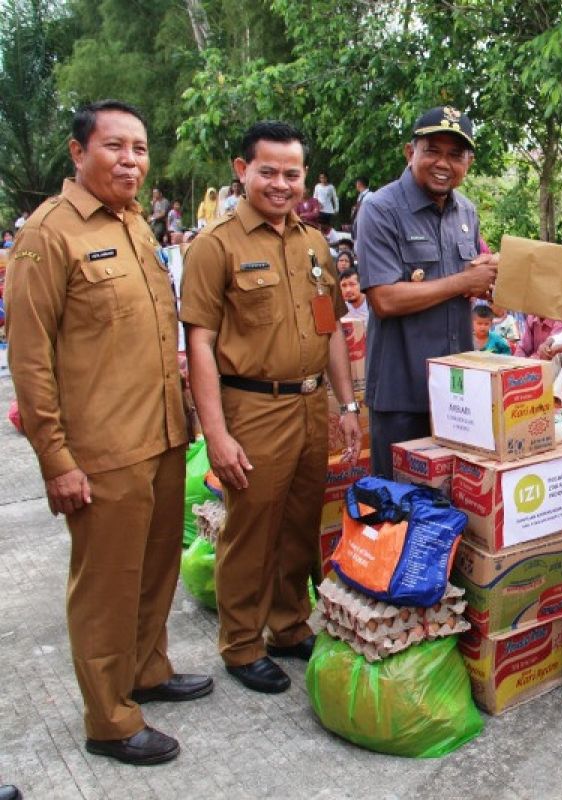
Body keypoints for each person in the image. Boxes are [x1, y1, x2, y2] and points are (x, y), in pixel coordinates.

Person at [6, 99, 210, 766]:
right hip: (101, 452)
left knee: (156, 570)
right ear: (78, 152)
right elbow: (29, 360)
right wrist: (56, 460)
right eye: (115, 146)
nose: (131, 160)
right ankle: (110, 719)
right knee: (105, 588)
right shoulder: (49, 235)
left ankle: (147, 670)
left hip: (161, 436)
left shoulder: (134, 226)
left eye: (140, 149)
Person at [180, 121, 361, 695]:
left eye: (292, 173)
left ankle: (287, 627)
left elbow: (329, 326)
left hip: (311, 405)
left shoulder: (312, 243)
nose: (281, 184)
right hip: (252, 407)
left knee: (300, 524)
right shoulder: (216, 245)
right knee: (251, 530)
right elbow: (200, 344)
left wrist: (346, 402)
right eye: (269, 172)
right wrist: (216, 434)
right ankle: (240, 643)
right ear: (242, 170)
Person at [355, 106, 498, 476]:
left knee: (453, 509)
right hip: (402, 394)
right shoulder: (380, 209)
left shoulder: (465, 212)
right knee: (399, 509)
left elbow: (468, 281)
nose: (443, 163)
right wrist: (464, 282)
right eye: (432, 151)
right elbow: (383, 299)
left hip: (458, 396)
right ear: (410, 152)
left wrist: (489, 280)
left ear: (468, 162)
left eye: (456, 155)